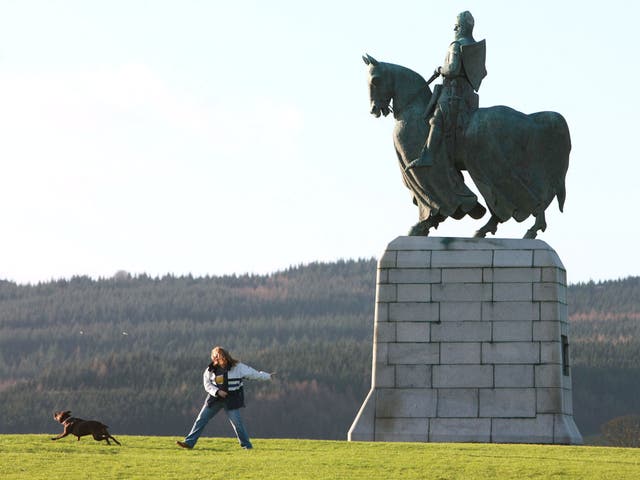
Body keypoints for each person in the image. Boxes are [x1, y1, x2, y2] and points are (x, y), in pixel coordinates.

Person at [407, 10, 487, 171]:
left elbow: (452, 69)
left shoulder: (457, 45)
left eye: (456, 26)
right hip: (468, 94)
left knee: (436, 118)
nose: (454, 29)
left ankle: (428, 155)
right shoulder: (475, 47)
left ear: (463, 27)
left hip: (453, 92)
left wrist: (439, 69)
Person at [176, 346, 274, 450]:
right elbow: (207, 384)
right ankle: (189, 443)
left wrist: (268, 376)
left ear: (226, 356)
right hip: (214, 400)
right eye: (216, 357)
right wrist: (217, 392)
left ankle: (247, 447)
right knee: (201, 420)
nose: (218, 359)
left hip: (231, 401)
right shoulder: (210, 370)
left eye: (220, 356)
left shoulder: (238, 367)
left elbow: (254, 374)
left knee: (238, 424)